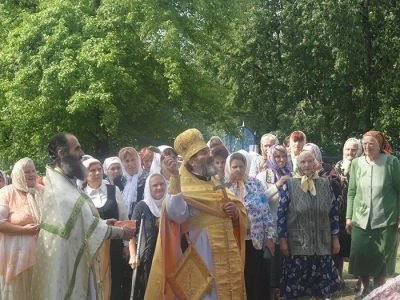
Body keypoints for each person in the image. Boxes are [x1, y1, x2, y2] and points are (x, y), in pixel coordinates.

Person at [145, 128, 248, 300]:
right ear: (192, 162)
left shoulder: (216, 182)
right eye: (203, 153)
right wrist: (174, 178)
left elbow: (237, 210)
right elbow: (176, 214)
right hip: (202, 255)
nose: (209, 156)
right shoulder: (181, 185)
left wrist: (236, 213)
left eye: (207, 151)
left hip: (228, 253)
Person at [30, 132, 135, 300]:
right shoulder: (60, 190)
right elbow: (87, 226)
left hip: (72, 258)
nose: (82, 153)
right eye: (77, 148)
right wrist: (122, 233)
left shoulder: (64, 182)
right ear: (62, 153)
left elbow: (83, 222)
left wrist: (101, 222)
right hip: (66, 264)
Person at [278, 150, 341, 300]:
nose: (306, 165)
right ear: (298, 164)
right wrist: (282, 240)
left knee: (320, 290)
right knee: (298, 292)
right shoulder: (290, 184)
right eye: (302, 162)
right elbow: (281, 215)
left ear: (315, 163)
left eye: (309, 161)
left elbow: (333, 213)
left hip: (321, 245)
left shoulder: (325, 184)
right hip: (298, 247)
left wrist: (335, 238)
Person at [346, 131, 400, 299]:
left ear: (380, 145)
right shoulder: (356, 163)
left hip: (385, 220)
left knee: (381, 259)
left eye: (371, 143)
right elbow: (351, 192)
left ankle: (378, 291)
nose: (367, 147)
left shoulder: (391, 162)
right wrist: (348, 217)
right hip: (361, 219)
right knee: (360, 254)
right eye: (364, 144)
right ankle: (365, 287)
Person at [225, 152, 275, 300]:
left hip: (255, 239)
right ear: (229, 168)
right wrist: (229, 184)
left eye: (241, 166)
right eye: (234, 167)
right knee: (237, 277)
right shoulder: (224, 186)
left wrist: (269, 237)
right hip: (234, 240)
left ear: (245, 166)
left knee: (255, 277)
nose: (238, 170)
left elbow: (265, 211)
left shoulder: (254, 183)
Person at [83, 158, 130, 300]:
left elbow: (123, 217)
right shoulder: (82, 195)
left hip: (114, 245)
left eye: (99, 169)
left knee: (116, 281)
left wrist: (126, 245)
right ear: (85, 174)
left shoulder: (113, 190)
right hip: (94, 248)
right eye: (92, 170)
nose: (97, 173)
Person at [0, 158, 44, 300]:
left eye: (33, 171)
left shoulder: (42, 191)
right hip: (16, 259)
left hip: (43, 256)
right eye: (26, 172)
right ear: (18, 174)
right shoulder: (7, 192)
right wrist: (24, 230)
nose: (31, 174)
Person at [256, 144, 292, 300]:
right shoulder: (262, 177)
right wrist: (277, 186)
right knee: (271, 272)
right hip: (270, 230)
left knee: (285, 270)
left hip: (287, 231)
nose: (281, 159)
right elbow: (258, 200)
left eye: (283, 156)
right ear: (271, 157)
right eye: (277, 156)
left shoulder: (291, 175)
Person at [129, 171, 173, 299]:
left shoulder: (171, 204)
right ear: (149, 188)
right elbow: (131, 232)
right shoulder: (142, 206)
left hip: (169, 254)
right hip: (148, 257)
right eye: (155, 185)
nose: (159, 187)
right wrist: (133, 255)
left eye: (161, 184)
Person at [334, 138, 363, 290]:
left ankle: (360, 280)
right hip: (340, 213)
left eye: (353, 149)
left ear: (359, 151)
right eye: (347, 149)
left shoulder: (364, 165)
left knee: (357, 246)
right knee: (339, 247)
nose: (350, 152)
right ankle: (339, 277)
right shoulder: (338, 165)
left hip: (359, 212)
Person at [114, 147, 148, 218]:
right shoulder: (118, 181)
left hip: (143, 221)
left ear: (138, 160)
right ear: (121, 163)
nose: (131, 164)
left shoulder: (148, 179)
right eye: (127, 161)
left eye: (133, 160)